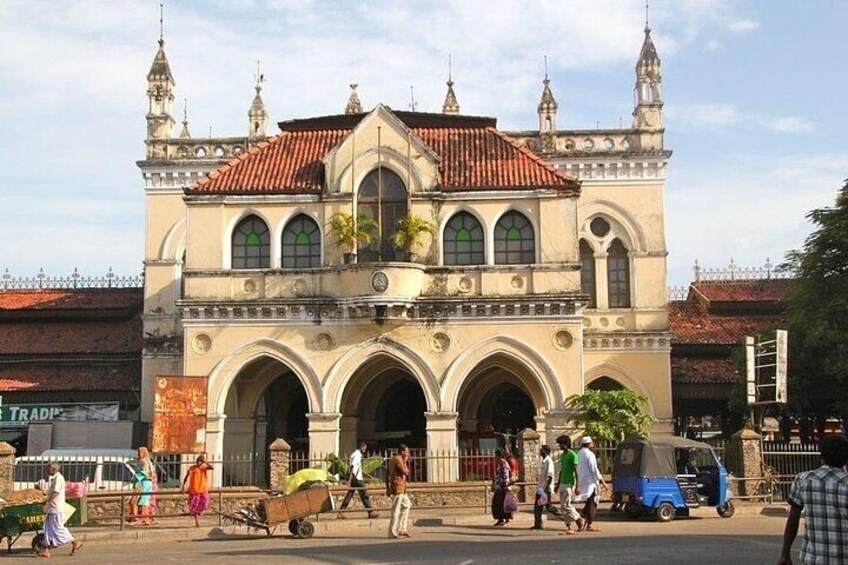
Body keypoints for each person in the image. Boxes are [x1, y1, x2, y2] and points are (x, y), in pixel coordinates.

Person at [778, 433, 848, 565]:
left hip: (814, 559)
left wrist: (785, 554)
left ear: (821, 456)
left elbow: (793, 520)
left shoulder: (803, 480)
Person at [38, 463, 83, 558]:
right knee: (48, 529)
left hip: (56, 508)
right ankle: (46, 550)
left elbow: (56, 492)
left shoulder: (59, 478)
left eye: (49, 468)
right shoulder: (54, 478)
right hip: (52, 508)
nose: (47, 470)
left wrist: (48, 504)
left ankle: (75, 542)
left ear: (53, 469)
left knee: (58, 529)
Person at [338, 442, 379, 519]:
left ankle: (341, 512)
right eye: (364, 448)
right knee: (364, 494)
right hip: (356, 478)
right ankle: (370, 512)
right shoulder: (357, 455)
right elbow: (352, 467)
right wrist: (350, 479)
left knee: (350, 495)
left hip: (355, 477)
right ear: (361, 447)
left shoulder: (355, 454)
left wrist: (366, 474)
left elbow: (357, 467)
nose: (365, 450)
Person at [555, 435, 584, 534]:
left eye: (561, 444)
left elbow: (576, 471)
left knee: (566, 505)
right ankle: (568, 526)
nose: (560, 446)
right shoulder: (563, 455)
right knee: (562, 507)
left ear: (566, 444)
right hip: (563, 482)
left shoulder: (573, 455)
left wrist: (577, 486)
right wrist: (557, 484)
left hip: (569, 483)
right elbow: (561, 470)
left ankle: (579, 519)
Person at [576, 436, 607, 532]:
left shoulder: (579, 453)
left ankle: (582, 519)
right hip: (591, 482)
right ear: (589, 444)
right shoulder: (590, 454)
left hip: (582, 481)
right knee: (593, 503)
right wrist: (602, 482)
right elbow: (594, 470)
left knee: (589, 502)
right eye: (592, 442)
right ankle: (589, 524)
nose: (593, 444)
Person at [387, 444, 412, 539]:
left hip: (399, 487)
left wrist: (388, 487)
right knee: (396, 510)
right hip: (398, 487)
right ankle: (392, 532)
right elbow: (406, 472)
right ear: (402, 452)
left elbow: (387, 473)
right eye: (407, 452)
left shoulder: (392, 459)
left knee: (407, 505)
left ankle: (402, 529)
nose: (408, 453)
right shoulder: (399, 460)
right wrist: (405, 461)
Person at [182, 455, 213, 527]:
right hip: (194, 490)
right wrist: (183, 486)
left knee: (205, 502)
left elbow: (212, 468)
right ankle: (197, 522)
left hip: (202, 489)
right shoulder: (192, 468)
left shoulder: (204, 467)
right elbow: (186, 477)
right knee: (194, 507)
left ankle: (200, 512)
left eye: (200, 461)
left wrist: (205, 462)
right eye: (198, 461)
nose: (199, 463)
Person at [129, 446, 155, 525]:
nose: (138, 454)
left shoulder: (142, 461)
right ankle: (145, 518)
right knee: (145, 500)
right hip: (148, 483)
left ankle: (136, 518)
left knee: (135, 500)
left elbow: (142, 472)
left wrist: (135, 469)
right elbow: (151, 473)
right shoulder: (149, 461)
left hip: (141, 482)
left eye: (139, 452)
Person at [531, 444, 555, 530]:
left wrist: (545, 488)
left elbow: (550, 477)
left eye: (542, 449)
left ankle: (565, 517)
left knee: (548, 507)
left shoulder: (549, 461)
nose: (540, 451)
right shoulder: (543, 461)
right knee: (537, 506)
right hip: (540, 488)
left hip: (545, 488)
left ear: (546, 451)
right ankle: (538, 523)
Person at [491, 449, 514, 526]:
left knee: (502, 503)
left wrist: (505, 485)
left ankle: (504, 519)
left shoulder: (503, 463)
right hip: (500, 486)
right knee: (500, 504)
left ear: (498, 456)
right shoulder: (500, 463)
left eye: (496, 456)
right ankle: (502, 519)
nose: (495, 457)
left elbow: (505, 475)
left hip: (503, 487)